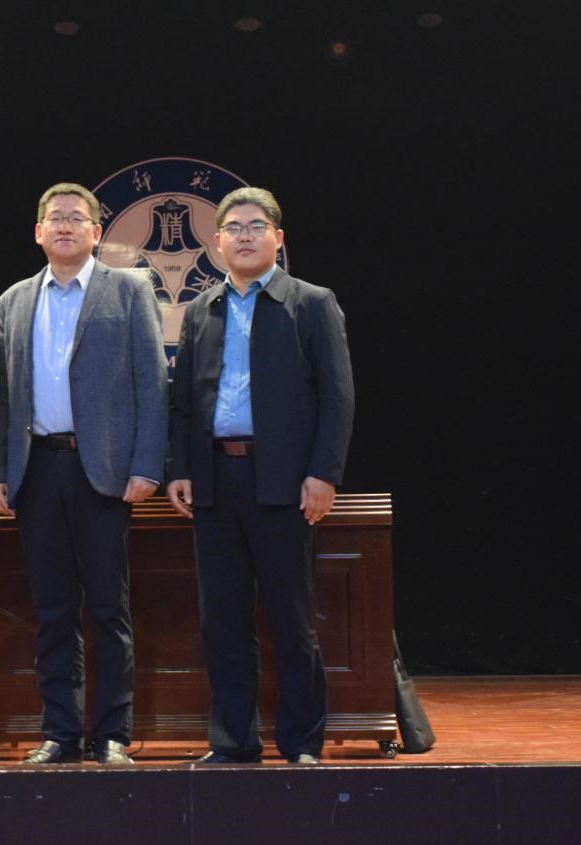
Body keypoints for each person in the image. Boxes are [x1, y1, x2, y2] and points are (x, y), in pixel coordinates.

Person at [166, 186, 354, 765]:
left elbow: (338, 397)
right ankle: (233, 741)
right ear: (217, 242)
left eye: (255, 226)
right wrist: (180, 468)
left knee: (291, 620)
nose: (244, 236)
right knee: (222, 622)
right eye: (233, 228)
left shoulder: (311, 303)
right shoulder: (202, 308)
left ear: (278, 237)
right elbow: (183, 401)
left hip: (285, 484)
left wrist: (323, 473)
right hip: (215, 483)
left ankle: (301, 742)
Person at [0, 183, 167, 765]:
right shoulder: (14, 299)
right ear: (38, 231)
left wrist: (147, 464)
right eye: (55, 218)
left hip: (105, 473)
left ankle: (112, 734)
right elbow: (1, 396)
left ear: (96, 230)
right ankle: (60, 733)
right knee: (52, 611)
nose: (65, 226)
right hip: (37, 470)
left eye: (77, 218)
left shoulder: (128, 290)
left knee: (109, 609)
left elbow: (152, 384)